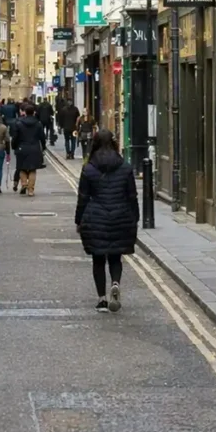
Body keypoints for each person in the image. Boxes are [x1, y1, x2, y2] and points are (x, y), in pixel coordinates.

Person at [74, 128, 139, 312]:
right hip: (120, 216)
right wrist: (135, 218)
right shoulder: (125, 167)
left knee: (98, 259)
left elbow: (83, 198)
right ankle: (116, 283)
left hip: (95, 217)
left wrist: (79, 221)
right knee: (115, 256)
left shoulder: (88, 168)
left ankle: (102, 299)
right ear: (114, 143)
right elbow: (132, 196)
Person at [12, 103, 46, 197]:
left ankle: (23, 184)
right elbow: (42, 138)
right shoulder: (38, 124)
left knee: (22, 168)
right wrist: (43, 147)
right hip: (34, 148)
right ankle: (30, 190)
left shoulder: (19, 123)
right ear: (34, 112)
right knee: (32, 169)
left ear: (25, 113)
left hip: (22, 148)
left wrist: (14, 146)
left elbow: (15, 137)